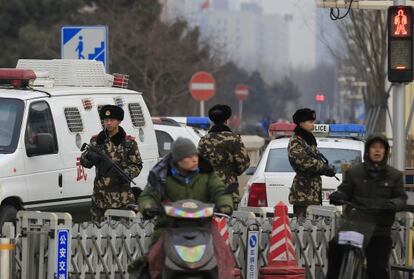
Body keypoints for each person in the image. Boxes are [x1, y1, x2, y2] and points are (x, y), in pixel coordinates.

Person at [128, 137, 234, 277]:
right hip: (169, 227)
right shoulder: (162, 177)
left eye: (195, 155)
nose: (195, 159)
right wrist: (148, 206)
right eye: (189, 157)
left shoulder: (207, 174)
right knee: (153, 259)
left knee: (222, 255)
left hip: (203, 227)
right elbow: (148, 195)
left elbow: (220, 191)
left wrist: (225, 204)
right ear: (178, 160)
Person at [327, 134, 407, 279]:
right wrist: (338, 196)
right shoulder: (354, 172)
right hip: (356, 225)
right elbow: (344, 191)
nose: (377, 151)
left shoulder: (394, 175)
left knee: (378, 268)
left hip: (380, 229)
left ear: (385, 152)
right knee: (335, 247)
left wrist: (393, 204)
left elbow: (401, 198)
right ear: (368, 151)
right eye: (374, 147)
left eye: (381, 148)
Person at [80, 105, 143, 222]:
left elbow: (137, 165)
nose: (108, 123)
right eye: (106, 120)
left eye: (112, 120)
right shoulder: (96, 141)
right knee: (97, 234)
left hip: (121, 198)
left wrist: (124, 173)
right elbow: (85, 162)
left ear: (118, 121)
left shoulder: (128, 143)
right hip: (100, 198)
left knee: (122, 234)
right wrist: (89, 157)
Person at [198, 104, 250, 208]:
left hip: (209, 189)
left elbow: (198, 164)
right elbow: (244, 163)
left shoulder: (204, 140)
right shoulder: (234, 139)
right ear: (226, 121)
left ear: (213, 121)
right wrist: (233, 172)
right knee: (228, 221)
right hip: (229, 189)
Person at [288, 108, 336, 218]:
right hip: (303, 195)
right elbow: (303, 161)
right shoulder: (296, 140)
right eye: (310, 122)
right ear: (301, 123)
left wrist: (326, 169)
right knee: (302, 228)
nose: (313, 125)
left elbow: (315, 159)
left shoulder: (308, 139)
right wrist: (324, 168)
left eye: (313, 122)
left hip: (313, 194)